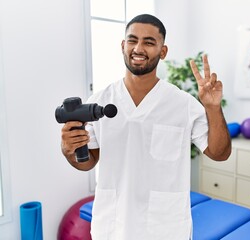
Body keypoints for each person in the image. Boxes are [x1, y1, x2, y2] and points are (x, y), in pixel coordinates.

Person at [60, 14, 231, 240]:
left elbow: (219, 153)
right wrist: (69, 151)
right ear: (123, 45)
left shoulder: (183, 104)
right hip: (112, 226)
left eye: (149, 42)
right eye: (132, 40)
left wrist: (213, 107)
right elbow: (88, 162)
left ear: (163, 51)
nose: (138, 48)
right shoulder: (99, 100)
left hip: (165, 228)